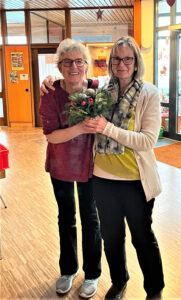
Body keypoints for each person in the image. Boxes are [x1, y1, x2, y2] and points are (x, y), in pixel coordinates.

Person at [40, 36, 165, 300]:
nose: (121, 64)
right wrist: (49, 80)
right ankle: (115, 280)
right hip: (98, 176)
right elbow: (52, 128)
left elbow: (148, 140)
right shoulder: (101, 89)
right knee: (109, 235)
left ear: (136, 62)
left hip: (125, 176)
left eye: (127, 58)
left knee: (139, 236)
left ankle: (151, 289)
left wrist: (106, 128)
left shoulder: (141, 92)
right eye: (116, 59)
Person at [39, 38, 101, 299]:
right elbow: (51, 135)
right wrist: (79, 128)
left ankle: (93, 274)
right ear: (60, 67)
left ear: (86, 66)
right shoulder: (51, 93)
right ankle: (68, 270)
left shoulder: (98, 90)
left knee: (90, 218)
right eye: (67, 62)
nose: (74, 66)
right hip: (61, 165)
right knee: (66, 218)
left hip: (90, 166)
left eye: (79, 61)